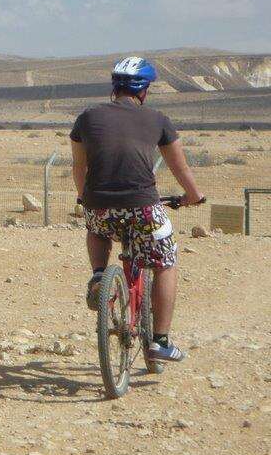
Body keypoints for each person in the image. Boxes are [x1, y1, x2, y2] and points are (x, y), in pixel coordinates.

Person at [71, 56, 204, 362]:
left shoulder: (87, 117)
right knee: (165, 263)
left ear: (114, 88)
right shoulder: (158, 119)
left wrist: (85, 198)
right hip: (142, 206)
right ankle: (160, 341)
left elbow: (79, 166)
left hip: (98, 203)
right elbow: (180, 167)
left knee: (97, 228)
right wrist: (194, 196)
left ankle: (99, 275)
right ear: (144, 90)